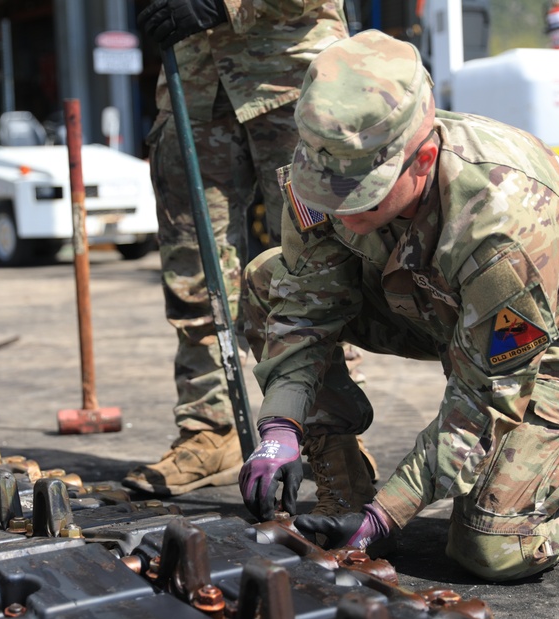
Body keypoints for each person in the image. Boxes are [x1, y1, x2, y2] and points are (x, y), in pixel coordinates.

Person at [238, 29, 559, 580]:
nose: (340, 211)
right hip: (436, 299)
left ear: (424, 158)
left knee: (493, 546)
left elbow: (485, 402)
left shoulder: (502, 228)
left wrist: (388, 517)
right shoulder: (327, 166)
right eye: (326, 190)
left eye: (363, 193)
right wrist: (280, 428)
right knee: (267, 280)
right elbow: (303, 309)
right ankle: (343, 480)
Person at [122, 0, 378, 516]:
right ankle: (208, 427)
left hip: (290, 77)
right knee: (193, 269)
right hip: (192, 88)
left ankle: (333, 436)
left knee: (320, 262)